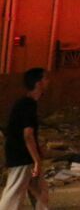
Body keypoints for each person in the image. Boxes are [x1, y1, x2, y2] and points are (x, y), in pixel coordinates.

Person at [1, 67, 50, 210]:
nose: (48, 81)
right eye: (45, 78)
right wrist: (37, 160)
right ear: (38, 83)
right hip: (21, 157)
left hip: (24, 156)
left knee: (41, 192)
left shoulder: (27, 104)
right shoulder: (27, 105)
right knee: (13, 195)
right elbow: (28, 135)